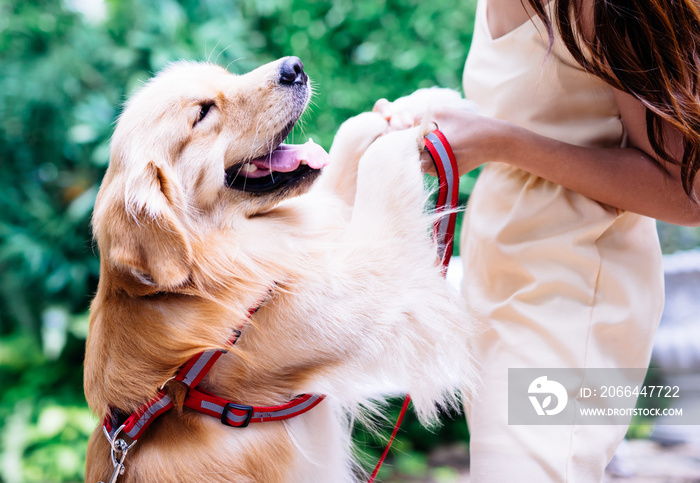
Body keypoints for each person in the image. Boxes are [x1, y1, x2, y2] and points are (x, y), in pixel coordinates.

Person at [374, 0, 700, 480]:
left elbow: (685, 194)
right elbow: (542, 113)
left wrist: (500, 142)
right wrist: (443, 120)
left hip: (571, 300)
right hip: (499, 293)